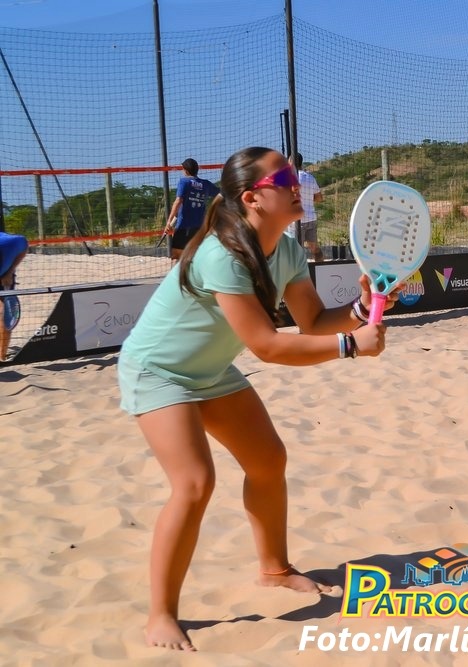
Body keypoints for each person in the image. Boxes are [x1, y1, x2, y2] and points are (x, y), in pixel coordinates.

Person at [118, 146, 394, 651]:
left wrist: (360, 308)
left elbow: (313, 322)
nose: (298, 185)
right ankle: (161, 615)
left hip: (210, 373)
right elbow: (266, 346)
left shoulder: (286, 250)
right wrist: (351, 346)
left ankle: (274, 568)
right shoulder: (222, 254)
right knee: (195, 483)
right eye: (285, 179)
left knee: (268, 460)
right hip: (158, 372)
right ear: (252, 198)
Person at [164, 158, 220, 263]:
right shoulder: (206, 184)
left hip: (183, 225)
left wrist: (169, 222)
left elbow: (178, 201)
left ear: (185, 170)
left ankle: (181, 273)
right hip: (199, 227)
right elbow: (221, 194)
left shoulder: (184, 182)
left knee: (179, 259)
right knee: (196, 257)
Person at [284, 152, 324, 262]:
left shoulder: (288, 179)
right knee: (314, 248)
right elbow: (319, 198)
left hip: (296, 221)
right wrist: (308, 198)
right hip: (311, 218)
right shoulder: (310, 177)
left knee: (295, 251)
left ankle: (298, 270)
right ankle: (321, 267)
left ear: (290, 162)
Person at [0, 231, 29, 361]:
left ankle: (2, 356)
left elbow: (24, 247)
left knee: (5, 313)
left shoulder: (14, 242)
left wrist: (10, 271)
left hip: (5, 272)